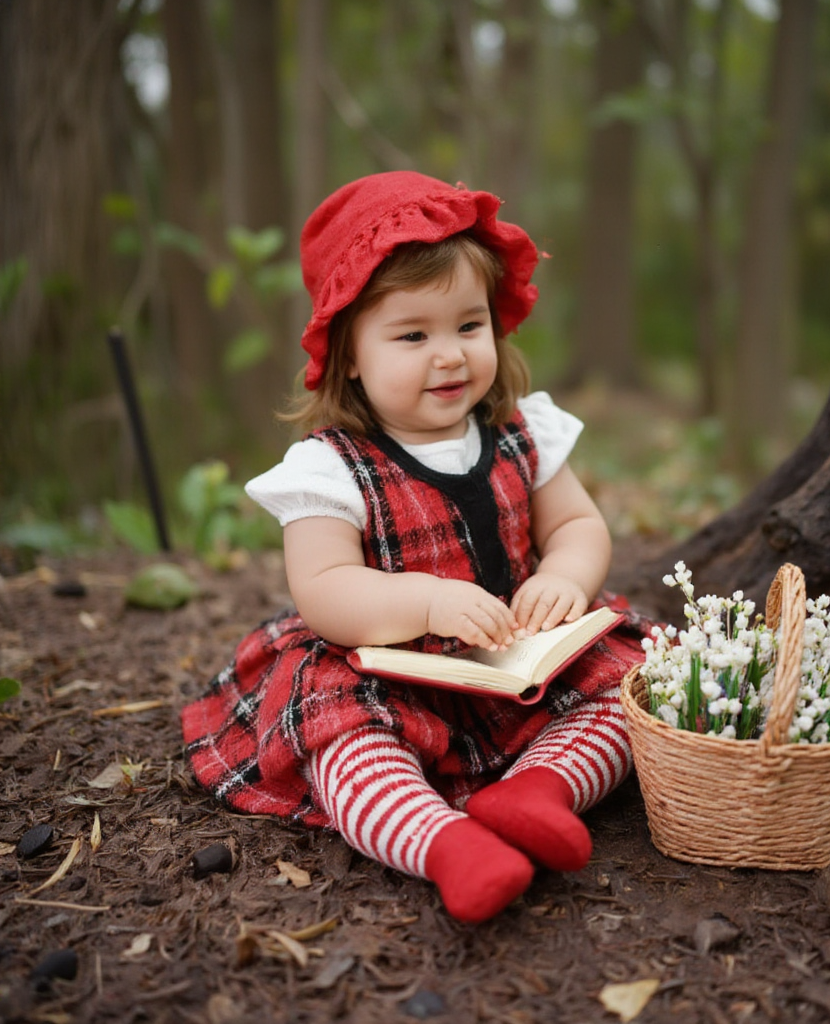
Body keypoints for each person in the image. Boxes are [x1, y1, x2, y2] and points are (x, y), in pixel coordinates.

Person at [181, 171, 649, 924]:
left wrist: (565, 575)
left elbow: (578, 527)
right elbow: (325, 587)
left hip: (514, 657)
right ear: (351, 355)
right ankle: (445, 844)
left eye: (469, 326)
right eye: (412, 335)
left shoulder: (525, 432)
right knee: (336, 733)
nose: (451, 355)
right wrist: (427, 600)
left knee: (633, 684)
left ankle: (539, 790)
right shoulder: (331, 467)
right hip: (385, 670)